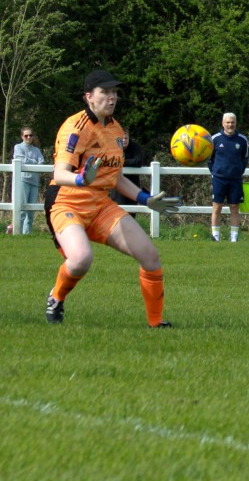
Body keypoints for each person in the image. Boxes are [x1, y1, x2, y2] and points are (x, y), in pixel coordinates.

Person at [43, 69, 180, 327]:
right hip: (67, 202)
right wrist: (82, 179)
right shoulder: (75, 128)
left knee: (149, 255)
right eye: (104, 92)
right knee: (81, 260)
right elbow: (60, 175)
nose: (112, 97)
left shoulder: (116, 129)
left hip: (100, 205)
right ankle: (56, 297)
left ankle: (156, 322)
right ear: (89, 97)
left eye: (114, 92)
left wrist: (145, 199)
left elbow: (115, 178)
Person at [208, 112, 249, 242]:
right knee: (217, 207)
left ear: (236, 123)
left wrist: (238, 171)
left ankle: (234, 238)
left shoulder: (242, 139)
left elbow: (245, 158)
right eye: (228, 122)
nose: (230, 125)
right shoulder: (214, 139)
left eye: (232, 122)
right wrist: (216, 172)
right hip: (219, 179)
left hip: (236, 180)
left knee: (234, 208)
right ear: (223, 123)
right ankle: (215, 237)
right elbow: (210, 160)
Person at [12, 126, 45, 234]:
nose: (28, 137)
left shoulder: (36, 150)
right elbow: (20, 159)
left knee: (31, 211)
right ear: (22, 136)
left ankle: (27, 234)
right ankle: (18, 232)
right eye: (26, 135)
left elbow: (42, 162)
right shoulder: (18, 147)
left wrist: (29, 161)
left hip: (34, 182)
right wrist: (33, 161)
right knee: (21, 208)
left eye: (30, 135)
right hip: (23, 180)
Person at [111, 128, 149, 210]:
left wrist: (121, 162)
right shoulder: (113, 148)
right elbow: (110, 161)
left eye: (126, 138)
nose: (124, 140)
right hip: (118, 186)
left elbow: (138, 162)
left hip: (133, 185)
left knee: (132, 211)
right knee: (119, 210)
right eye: (122, 138)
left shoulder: (134, 147)